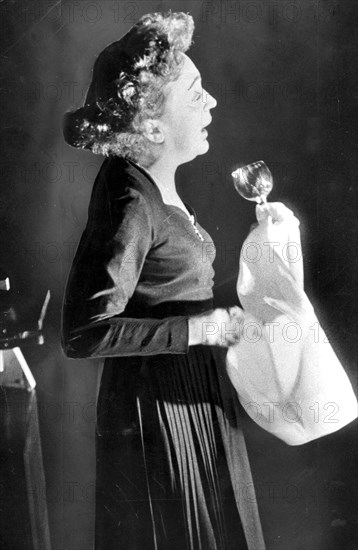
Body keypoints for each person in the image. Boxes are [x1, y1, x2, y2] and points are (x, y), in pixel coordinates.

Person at [61, 11, 266, 550]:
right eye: (196, 94)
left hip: (192, 397)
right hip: (158, 416)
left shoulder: (154, 182)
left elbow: (168, 287)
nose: (212, 104)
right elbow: (85, 332)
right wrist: (199, 331)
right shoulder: (131, 202)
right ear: (152, 127)